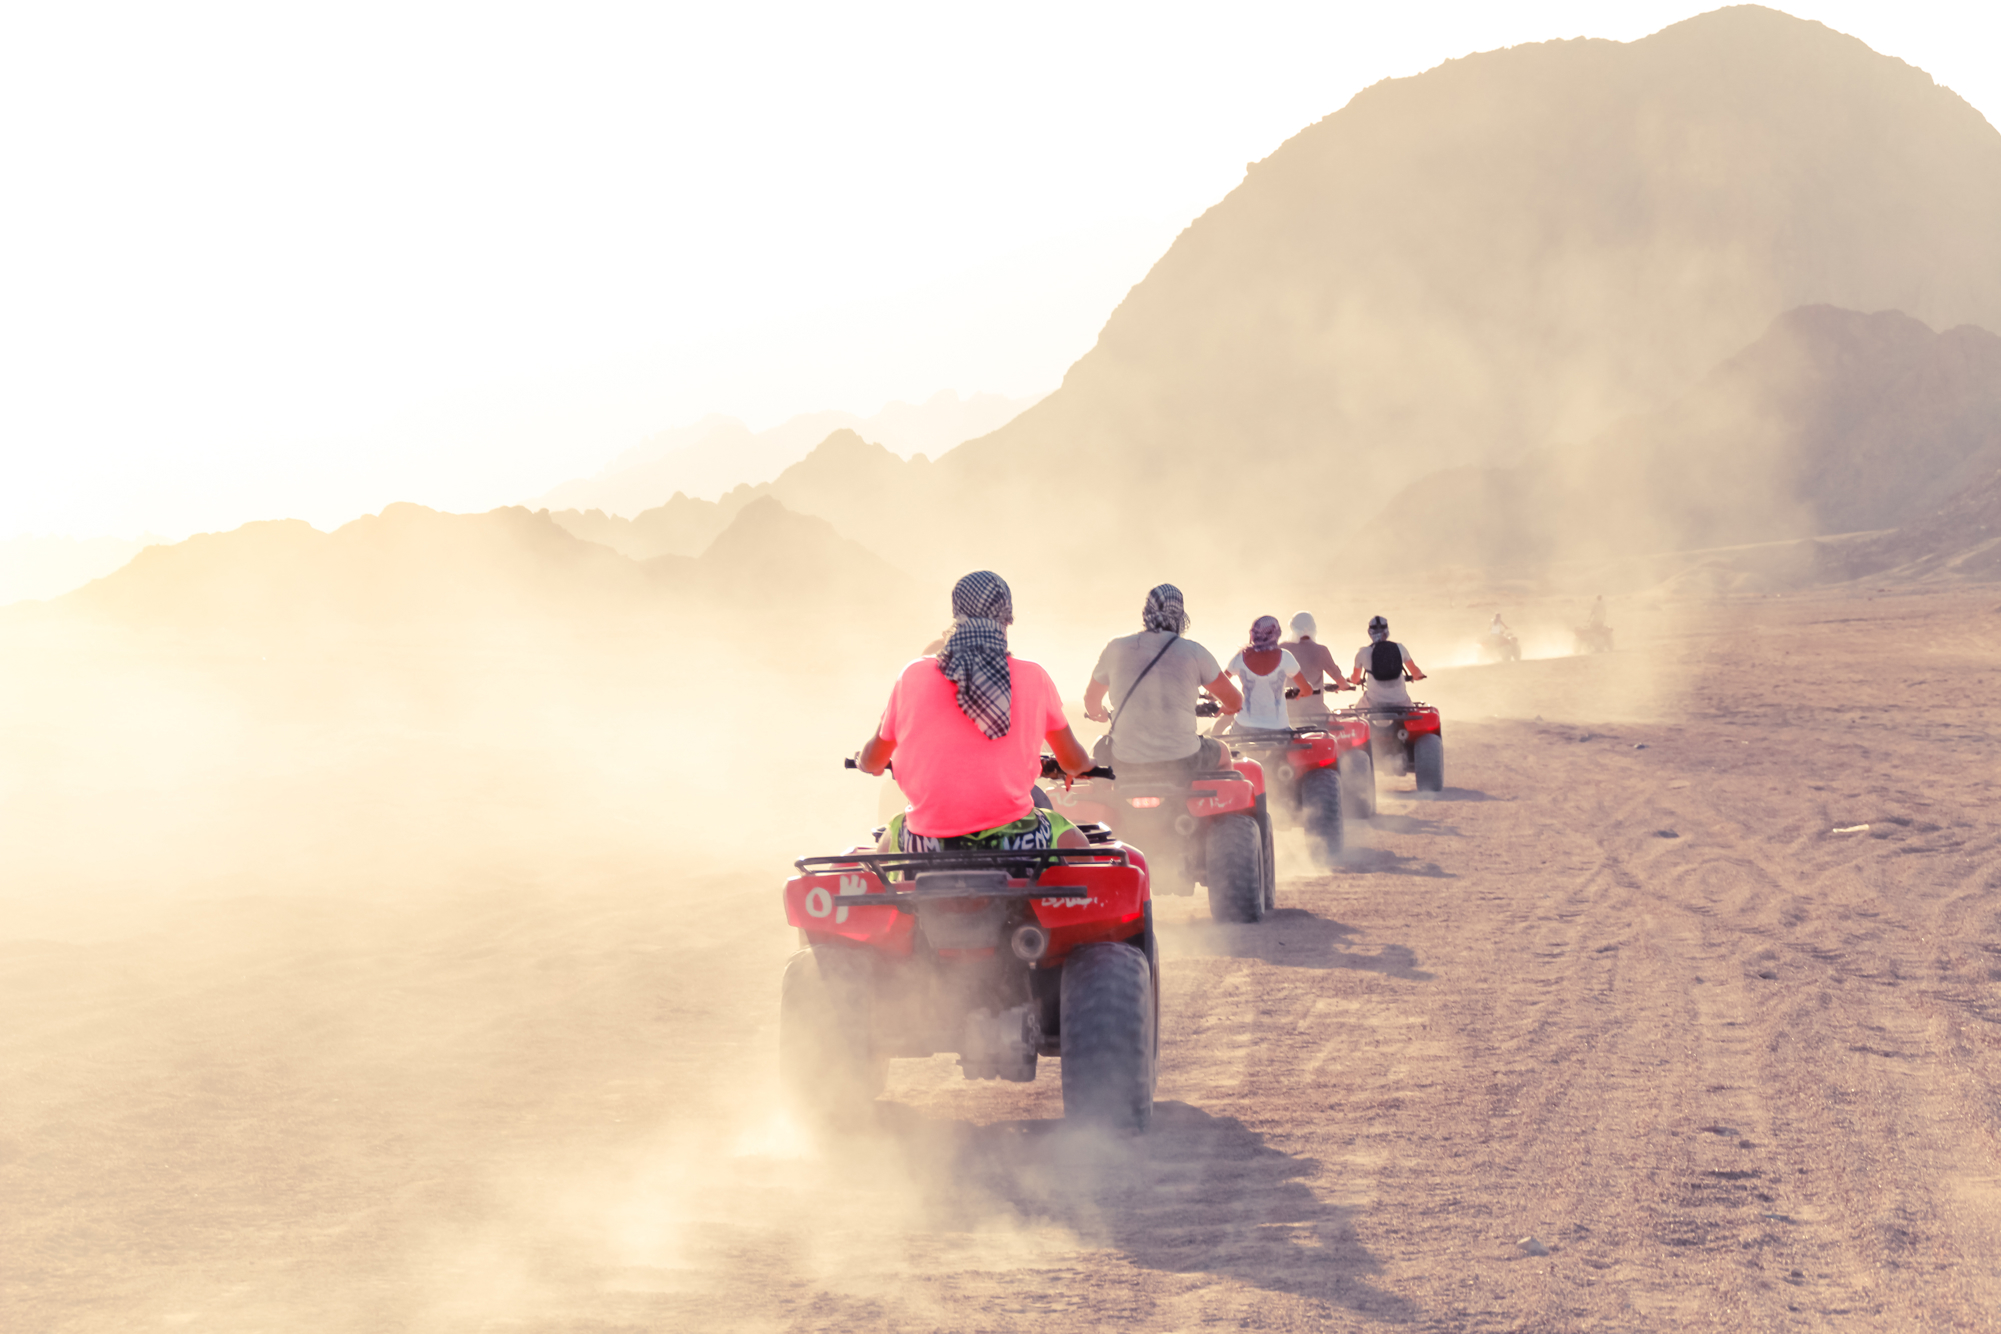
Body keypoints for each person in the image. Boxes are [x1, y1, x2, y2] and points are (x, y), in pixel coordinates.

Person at [857, 571, 1092, 850]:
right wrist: (1084, 766)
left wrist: (864, 761)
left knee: (885, 851)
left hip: (925, 840)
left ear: (957, 613)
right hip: (1018, 840)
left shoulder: (912, 675)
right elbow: (1073, 762)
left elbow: (874, 760)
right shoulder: (1034, 677)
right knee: (1079, 846)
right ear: (1007, 617)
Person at [1082, 583, 1244, 773]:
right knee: (1223, 753)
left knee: (1099, 751)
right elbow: (1236, 701)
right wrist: (1225, 708)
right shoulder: (1194, 652)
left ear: (1146, 613)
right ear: (1180, 617)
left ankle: (1106, 798)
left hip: (1125, 760)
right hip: (1185, 759)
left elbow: (1091, 700)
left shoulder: (1115, 648)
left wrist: (1098, 714)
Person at [1223, 615, 1312, 733]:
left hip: (1244, 727)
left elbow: (1221, 682)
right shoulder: (1286, 657)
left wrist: (1224, 702)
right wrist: (1302, 692)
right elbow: (1307, 690)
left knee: (1226, 740)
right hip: (1278, 728)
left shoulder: (1240, 656)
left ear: (1253, 634)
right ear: (1277, 634)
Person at [1279, 611, 1349, 725]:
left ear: (1292, 628)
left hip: (1287, 713)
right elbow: (1341, 682)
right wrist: (1343, 686)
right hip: (1316, 714)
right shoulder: (1321, 651)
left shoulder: (1282, 649)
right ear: (1313, 628)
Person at [1347, 614, 1428, 708]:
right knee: (1414, 713)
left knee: (1357, 713)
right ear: (1387, 632)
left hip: (1374, 701)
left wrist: (1352, 680)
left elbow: (1355, 679)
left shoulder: (1363, 652)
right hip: (1401, 701)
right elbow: (1416, 673)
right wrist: (1417, 676)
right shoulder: (1400, 648)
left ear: (1369, 633)